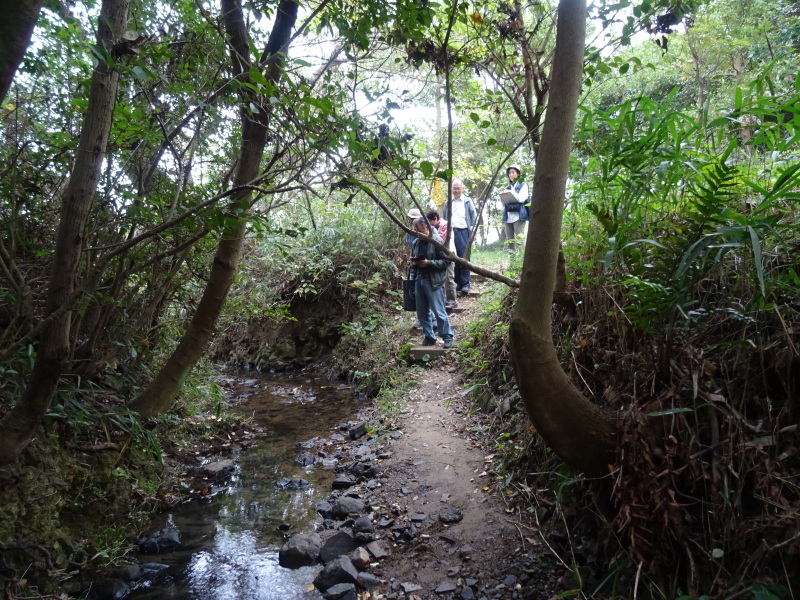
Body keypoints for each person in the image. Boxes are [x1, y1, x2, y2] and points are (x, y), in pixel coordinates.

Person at [409, 218, 454, 348]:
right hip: (419, 279)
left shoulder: (437, 241)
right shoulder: (416, 242)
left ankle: (447, 336)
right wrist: (413, 263)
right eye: (416, 231)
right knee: (422, 312)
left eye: (421, 231)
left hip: (433, 281)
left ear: (427, 229)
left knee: (439, 311)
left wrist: (429, 263)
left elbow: (446, 262)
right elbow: (413, 257)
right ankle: (429, 337)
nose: (419, 234)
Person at [441, 179, 477, 294]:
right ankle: (458, 283)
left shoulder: (467, 201)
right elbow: (444, 218)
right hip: (451, 233)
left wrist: (473, 232)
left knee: (464, 257)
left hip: (463, 231)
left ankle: (466, 283)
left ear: (462, 189)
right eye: (454, 188)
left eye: (458, 188)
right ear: (451, 189)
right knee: (453, 256)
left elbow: (473, 216)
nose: (456, 190)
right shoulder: (448, 202)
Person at [426, 209, 458, 309]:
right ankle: (443, 301)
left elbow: (441, 239)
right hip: (438, 255)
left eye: (430, 221)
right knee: (441, 279)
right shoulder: (433, 227)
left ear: (435, 219)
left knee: (449, 278)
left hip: (449, 254)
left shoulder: (445, 225)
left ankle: (452, 300)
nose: (429, 224)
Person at [501, 164, 530, 251]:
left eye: (513, 172)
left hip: (519, 215)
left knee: (519, 239)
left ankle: (521, 261)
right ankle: (512, 262)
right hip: (508, 215)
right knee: (510, 240)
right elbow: (504, 204)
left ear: (518, 174)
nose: (511, 175)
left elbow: (521, 199)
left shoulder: (523, 185)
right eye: (509, 173)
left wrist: (511, 193)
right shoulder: (508, 187)